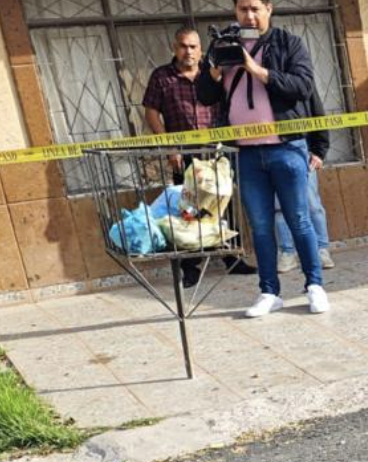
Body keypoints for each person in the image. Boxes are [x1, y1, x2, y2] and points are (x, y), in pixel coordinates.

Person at [196, 0, 328, 318]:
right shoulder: (223, 46)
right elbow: (204, 96)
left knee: (299, 219)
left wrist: (255, 69)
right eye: (243, 9)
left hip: (287, 147)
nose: (249, 15)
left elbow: (303, 86)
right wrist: (212, 73)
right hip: (247, 153)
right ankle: (269, 291)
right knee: (260, 226)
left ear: (269, 8)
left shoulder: (288, 43)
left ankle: (315, 286)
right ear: (235, 11)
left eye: (255, 8)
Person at [141, 28, 251, 285]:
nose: (188, 51)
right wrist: (169, 147)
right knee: (188, 209)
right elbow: (151, 112)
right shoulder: (161, 77)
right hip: (185, 155)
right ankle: (191, 266)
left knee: (223, 202)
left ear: (201, 49)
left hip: (215, 152)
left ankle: (231, 257)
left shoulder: (212, 73)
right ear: (174, 47)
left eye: (193, 46)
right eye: (183, 46)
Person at [271, 95, 335, 274]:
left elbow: (318, 115)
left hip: (302, 150)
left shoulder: (300, 80)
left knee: (312, 204)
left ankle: (321, 250)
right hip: (272, 152)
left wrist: (319, 151)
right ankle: (287, 252)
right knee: (279, 206)